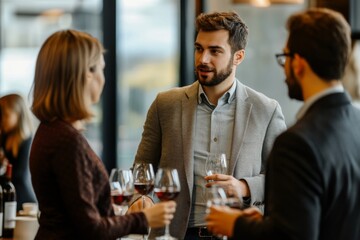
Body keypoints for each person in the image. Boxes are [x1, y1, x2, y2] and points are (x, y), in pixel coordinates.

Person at [205, 8, 360, 240]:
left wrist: (237, 225)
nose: (284, 68)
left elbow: (291, 236)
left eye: (284, 57)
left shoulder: (297, 143)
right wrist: (268, 223)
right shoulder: (356, 123)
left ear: (298, 64)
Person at [129, 11, 287, 239]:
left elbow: (282, 182)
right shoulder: (165, 104)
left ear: (238, 57)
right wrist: (140, 198)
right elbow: (142, 170)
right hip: (175, 235)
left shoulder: (266, 110)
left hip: (237, 233)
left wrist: (244, 187)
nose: (203, 59)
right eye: (199, 48)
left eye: (215, 51)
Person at [29, 29, 176, 240]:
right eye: (101, 69)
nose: (104, 78)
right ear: (86, 73)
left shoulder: (51, 130)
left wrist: (113, 214)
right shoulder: (67, 141)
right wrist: (145, 218)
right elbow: (91, 229)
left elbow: (74, 212)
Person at [0, 93, 37, 210]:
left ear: (19, 114)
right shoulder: (4, 137)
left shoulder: (27, 140)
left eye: (5, 115)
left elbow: (18, 175)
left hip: (21, 198)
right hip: (8, 195)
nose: (2, 120)